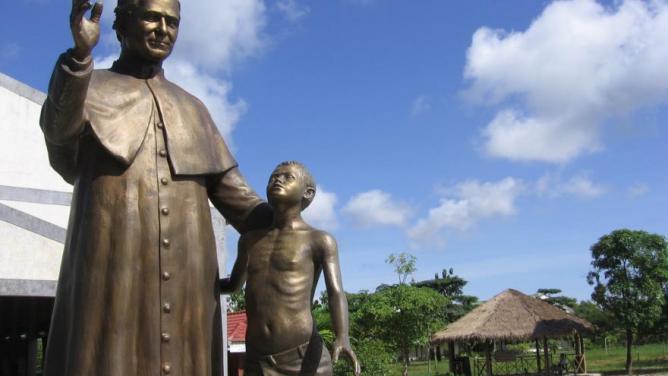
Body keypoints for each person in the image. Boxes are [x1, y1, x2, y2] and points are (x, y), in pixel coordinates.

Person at [40, 1, 271, 375]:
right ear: (123, 24)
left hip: (189, 278)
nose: (163, 29)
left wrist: (286, 218)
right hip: (114, 263)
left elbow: (238, 199)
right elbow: (60, 145)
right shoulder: (88, 85)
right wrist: (80, 58)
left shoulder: (193, 108)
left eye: (172, 22)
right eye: (152, 17)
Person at [221, 161, 361, 376]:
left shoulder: (319, 240)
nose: (277, 180)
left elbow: (335, 292)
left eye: (288, 177)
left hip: (303, 359)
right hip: (256, 362)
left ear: (308, 193)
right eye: (273, 177)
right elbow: (233, 286)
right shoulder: (249, 241)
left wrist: (343, 336)